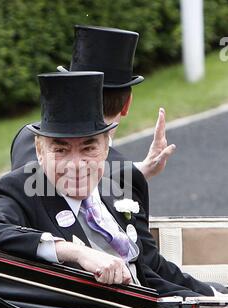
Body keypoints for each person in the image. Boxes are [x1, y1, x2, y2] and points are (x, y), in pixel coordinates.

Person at [0, 71, 216, 298]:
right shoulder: (22, 189)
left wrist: (216, 296)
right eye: (60, 150)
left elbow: (153, 268)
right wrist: (77, 253)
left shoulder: (118, 187)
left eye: (89, 148)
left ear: (107, 147)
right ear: (39, 151)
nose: (77, 164)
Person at [10, 26, 176, 218]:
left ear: (68, 89)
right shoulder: (126, 177)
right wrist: (138, 173)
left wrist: (137, 170)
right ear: (127, 104)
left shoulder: (27, 136)